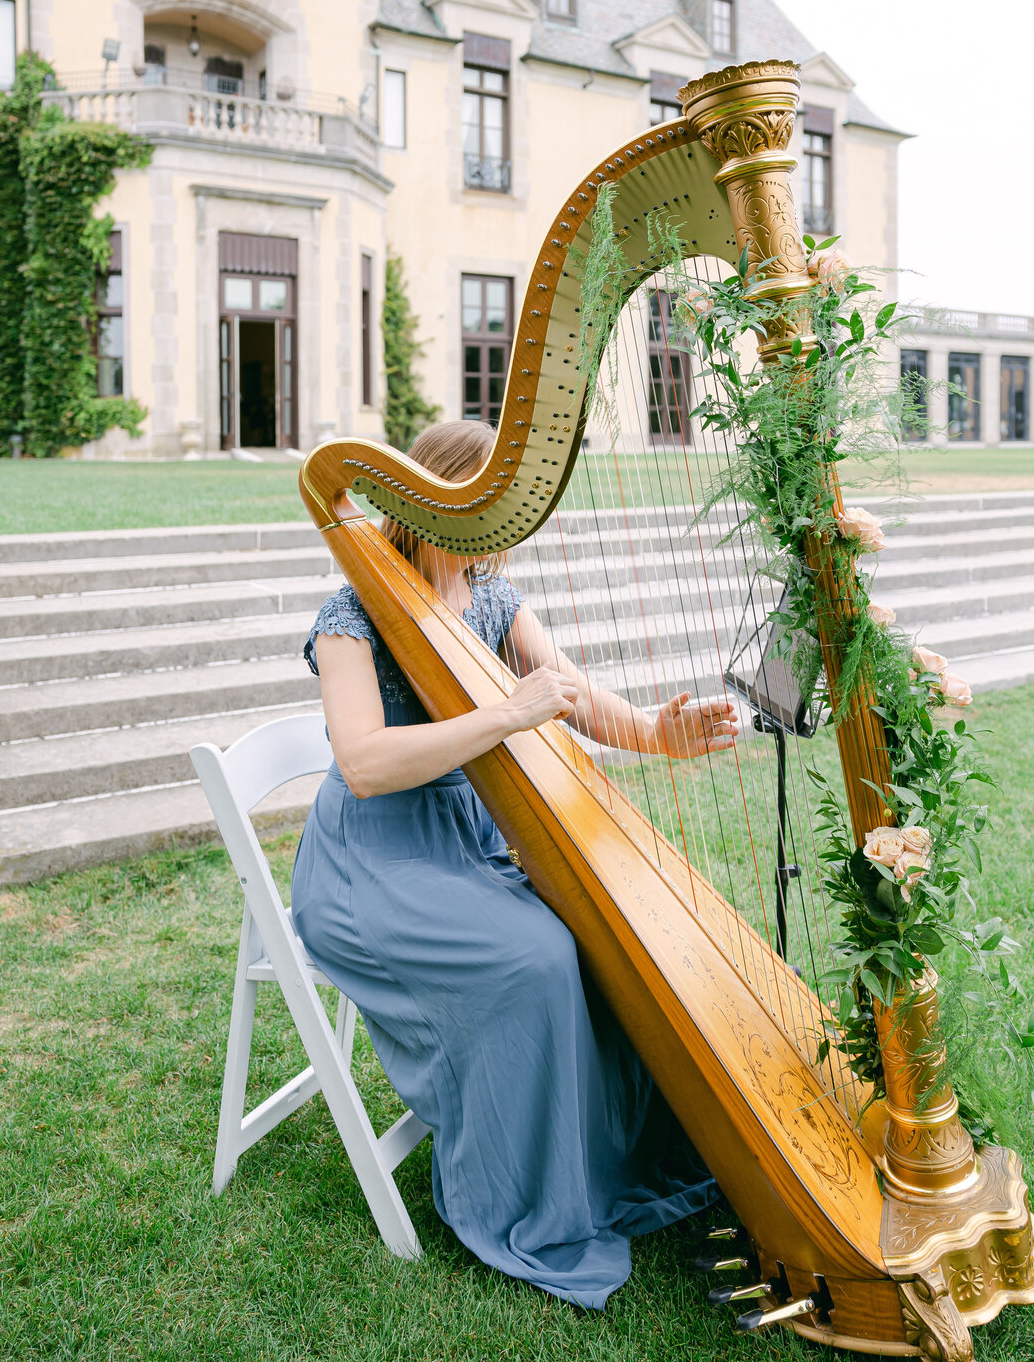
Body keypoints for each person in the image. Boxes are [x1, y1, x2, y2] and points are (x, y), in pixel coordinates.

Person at [291, 421, 738, 1308]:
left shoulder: (491, 596)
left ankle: (605, 1165)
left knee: (595, 939)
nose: (501, 534)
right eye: (482, 513)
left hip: (467, 836)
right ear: (432, 506)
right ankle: (530, 1202)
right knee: (533, 960)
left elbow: (566, 687)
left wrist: (655, 731)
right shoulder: (351, 614)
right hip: (372, 862)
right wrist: (505, 716)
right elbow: (366, 765)